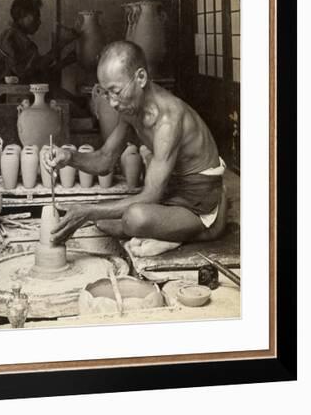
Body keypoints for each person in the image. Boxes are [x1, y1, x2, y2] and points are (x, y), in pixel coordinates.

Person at [42, 40, 228, 257]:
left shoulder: (168, 119)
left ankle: (201, 230)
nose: (112, 102)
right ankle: (165, 230)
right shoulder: (130, 108)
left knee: (134, 218)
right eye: (106, 93)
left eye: (116, 91)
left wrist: (87, 211)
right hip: (172, 192)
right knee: (104, 221)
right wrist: (69, 157)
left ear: (140, 78)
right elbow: (104, 160)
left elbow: (150, 195)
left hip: (198, 201)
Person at [0, 0, 79, 92]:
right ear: (22, 15)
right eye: (36, 16)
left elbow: (35, 71)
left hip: (8, 92)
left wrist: (65, 61)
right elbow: (34, 70)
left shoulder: (15, 36)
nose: (39, 22)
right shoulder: (11, 38)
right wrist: (62, 43)